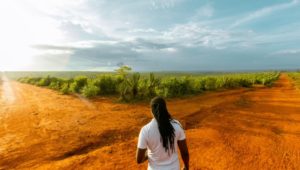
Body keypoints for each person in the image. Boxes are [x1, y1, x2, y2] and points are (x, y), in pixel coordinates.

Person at [136, 96, 189, 170]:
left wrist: (149, 154)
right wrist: (186, 167)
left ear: (151, 110)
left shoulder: (145, 130)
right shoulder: (177, 125)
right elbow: (185, 153)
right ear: (165, 108)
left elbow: (139, 160)